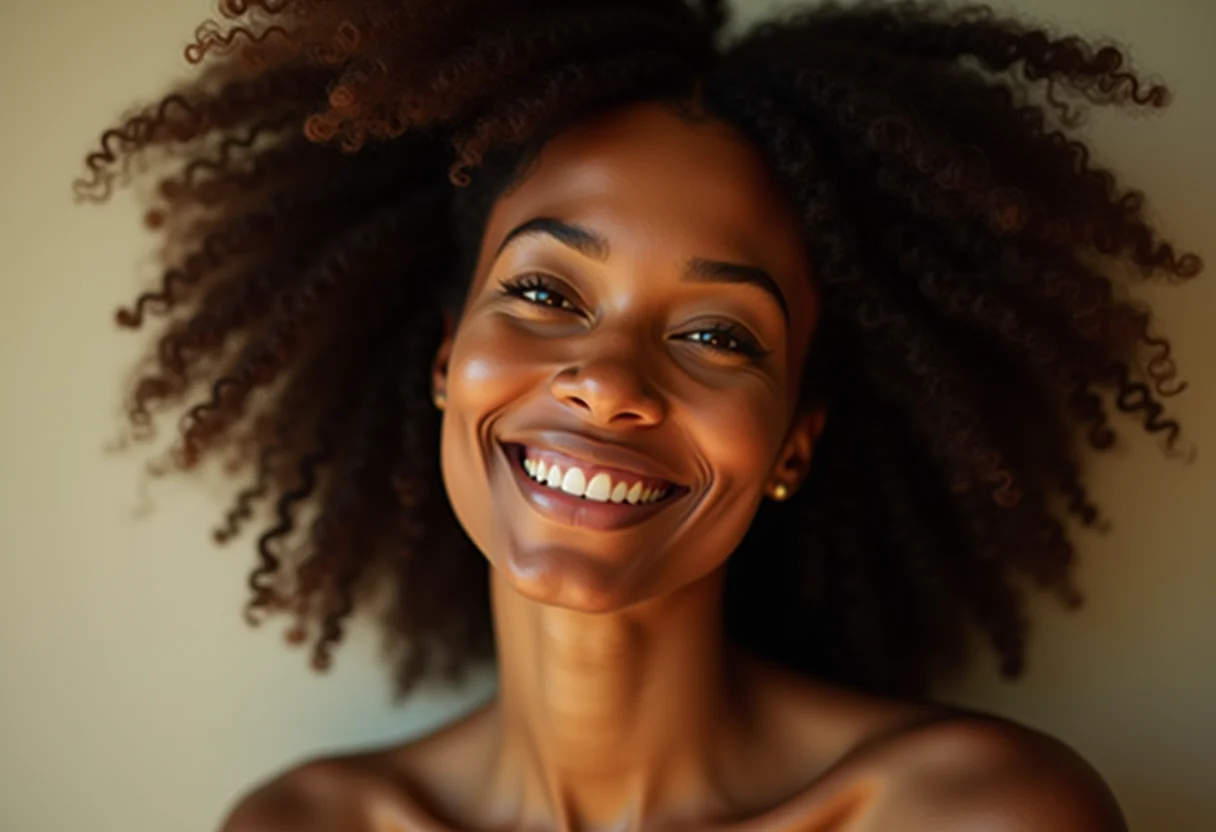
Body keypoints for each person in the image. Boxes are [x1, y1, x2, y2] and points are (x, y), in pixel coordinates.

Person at [76, 0, 1202, 828]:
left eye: (717, 334)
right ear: (443, 360)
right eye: (545, 293)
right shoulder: (301, 827)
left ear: (791, 444)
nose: (609, 379)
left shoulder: (980, 817)